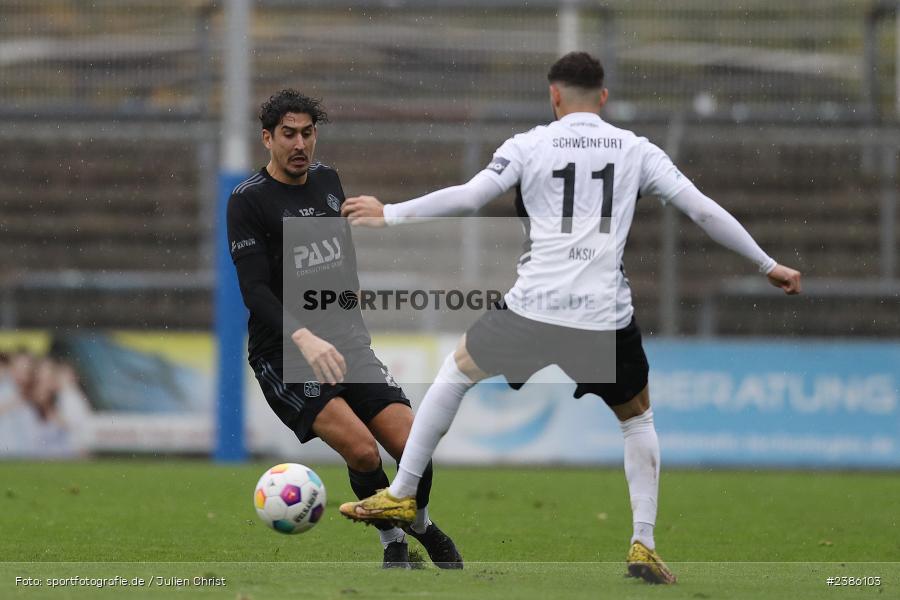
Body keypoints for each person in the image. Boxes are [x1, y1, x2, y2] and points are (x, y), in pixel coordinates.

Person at [338, 52, 802, 584]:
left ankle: (402, 494)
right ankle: (644, 544)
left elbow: (471, 196)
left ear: (553, 95)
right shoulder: (635, 149)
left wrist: (391, 213)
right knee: (637, 419)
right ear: (602, 98)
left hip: (535, 306)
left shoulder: (528, 145)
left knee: (457, 371)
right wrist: (766, 263)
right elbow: (701, 209)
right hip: (602, 313)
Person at [226, 89, 462, 569]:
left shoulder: (329, 180)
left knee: (413, 442)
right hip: (285, 351)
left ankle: (419, 523)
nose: (300, 144)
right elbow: (255, 292)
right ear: (267, 138)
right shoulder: (247, 201)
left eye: (307, 133)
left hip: (346, 340)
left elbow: (338, 263)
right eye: (288, 134)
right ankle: (397, 540)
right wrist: (303, 336)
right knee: (360, 450)